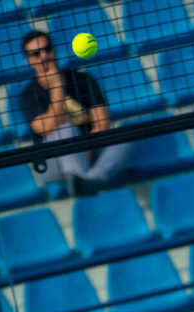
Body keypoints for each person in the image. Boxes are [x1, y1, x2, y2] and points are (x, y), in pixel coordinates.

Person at [19, 30, 131, 196]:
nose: (44, 56)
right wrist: (57, 85)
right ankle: (84, 183)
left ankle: (89, 181)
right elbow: (47, 128)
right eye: (36, 54)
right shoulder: (28, 95)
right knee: (65, 129)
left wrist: (86, 146)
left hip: (90, 150)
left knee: (125, 134)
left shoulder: (83, 80)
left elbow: (102, 122)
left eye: (47, 49)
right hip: (52, 161)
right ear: (28, 61)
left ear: (54, 51)